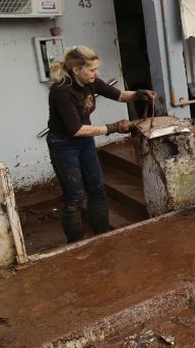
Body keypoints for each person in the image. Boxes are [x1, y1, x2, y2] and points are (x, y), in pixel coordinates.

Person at [46, 45, 155, 243]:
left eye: (97, 69)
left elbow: (119, 95)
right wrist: (114, 127)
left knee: (97, 188)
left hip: (84, 142)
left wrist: (139, 94)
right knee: (75, 195)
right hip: (64, 144)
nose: (96, 73)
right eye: (92, 69)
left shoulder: (91, 82)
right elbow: (76, 129)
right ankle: (76, 243)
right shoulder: (62, 91)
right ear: (77, 70)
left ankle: (103, 235)